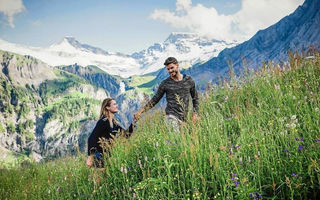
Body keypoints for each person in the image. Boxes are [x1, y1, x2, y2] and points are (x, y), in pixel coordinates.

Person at [134, 57, 199, 131]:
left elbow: (195, 98)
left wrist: (195, 113)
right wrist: (141, 111)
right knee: (175, 138)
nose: (170, 71)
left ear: (177, 66)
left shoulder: (188, 80)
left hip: (184, 118)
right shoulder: (165, 84)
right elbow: (155, 100)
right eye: (168, 69)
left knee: (183, 140)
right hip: (171, 117)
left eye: (172, 68)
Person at [86, 98, 135, 168]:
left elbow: (126, 135)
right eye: (114, 104)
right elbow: (92, 138)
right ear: (107, 107)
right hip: (99, 155)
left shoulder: (114, 123)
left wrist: (133, 122)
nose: (116, 106)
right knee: (99, 177)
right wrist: (90, 157)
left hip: (108, 156)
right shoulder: (103, 121)